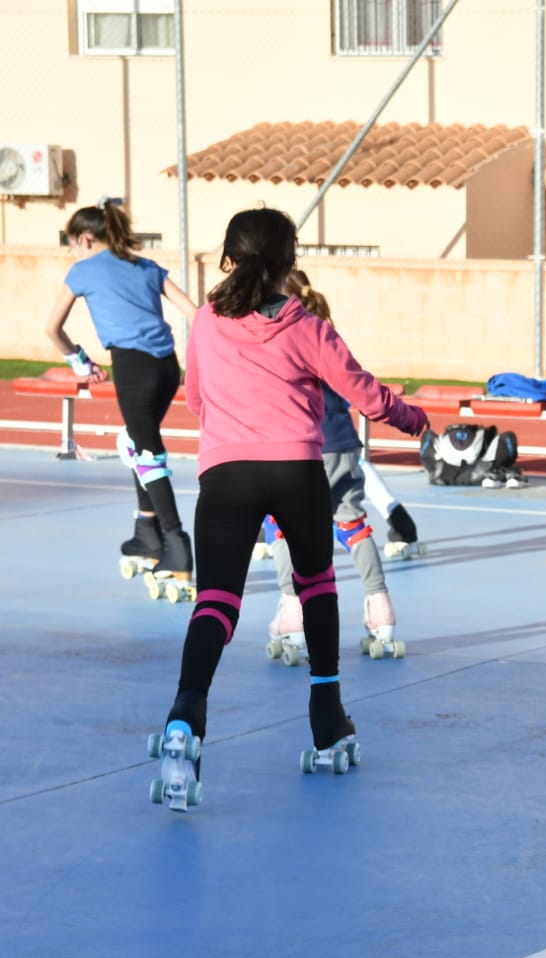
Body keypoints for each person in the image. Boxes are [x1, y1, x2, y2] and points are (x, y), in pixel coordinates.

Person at [147, 207, 429, 812]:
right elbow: (364, 393)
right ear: (290, 262)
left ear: (228, 257)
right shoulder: (307, 324)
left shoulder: (202, 323)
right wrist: (415, 419)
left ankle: (184, 717)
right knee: (316, 585)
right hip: (296, 469)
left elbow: (195, 398)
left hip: (226, 474)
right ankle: (326, 720)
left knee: (217, 602)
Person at [44, 201, 200, 588]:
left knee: (148, 453)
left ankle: (176, 544)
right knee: (132, 440)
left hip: (133, 369)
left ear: (84, 239)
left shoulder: (82, 271)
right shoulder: (146, 267)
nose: (74, 253)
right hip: (166, 368)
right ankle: (146, 534)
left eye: (73, 245)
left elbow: (52, 329)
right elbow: (196, 315)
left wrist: (80, 361)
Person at [260, 269, 409, 667]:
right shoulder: (324, 333)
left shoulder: (281, 334)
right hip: (343, 444)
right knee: (353, 525)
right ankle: (381, 611)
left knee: (282, 526)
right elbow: (354, 383)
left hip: (302, 447)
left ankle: (293, 612)